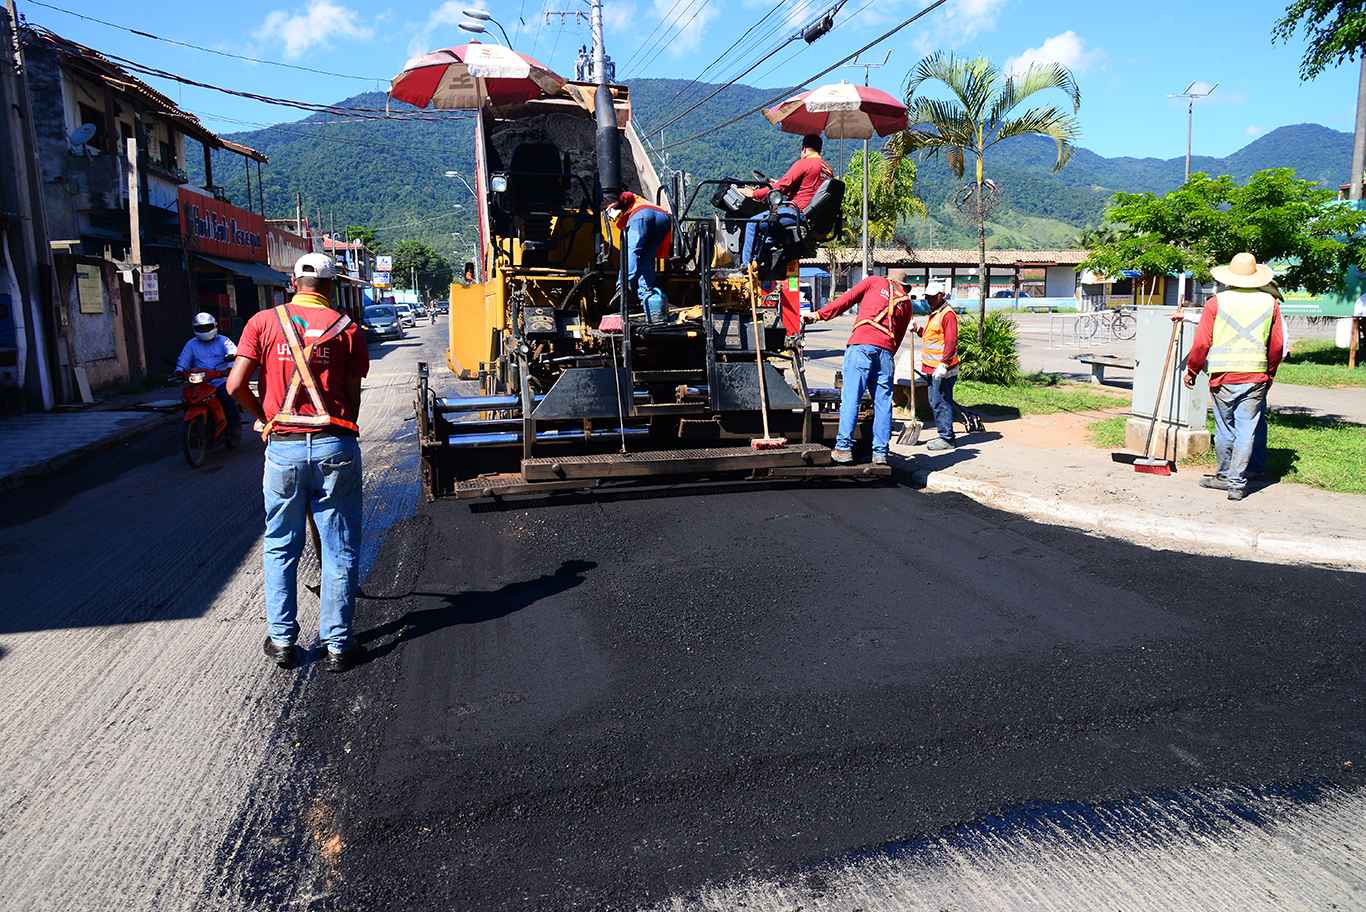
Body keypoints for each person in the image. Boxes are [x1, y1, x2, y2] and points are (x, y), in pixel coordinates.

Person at [226, 253, 371, 672]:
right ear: (331, 286)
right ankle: (339, 646)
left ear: (293, 282)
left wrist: (262, 418)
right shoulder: (348, 329)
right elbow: (352, 395)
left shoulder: (262, 322)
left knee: (281, 544)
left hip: (283, 448)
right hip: (334, 445)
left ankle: (283, 641)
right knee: (339, 545)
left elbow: (235, 384)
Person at [1183, 252, 1284, 501]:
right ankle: (1238, 484)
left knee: (1225, 427)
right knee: (1246, 429)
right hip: (1256, 375)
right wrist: (1269, 373)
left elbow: (1201, 344)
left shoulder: (1216, 302)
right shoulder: (1270, 303)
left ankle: (1225, 476)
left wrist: (1192, 370)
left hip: (1223, 375)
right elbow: (1277, 346)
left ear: (1230, 276)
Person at [802, 268, 916, 464]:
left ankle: (844, 448)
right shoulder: (906, 303)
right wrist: (886, 354)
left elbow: (846, 300)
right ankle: (880, 453)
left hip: (862, 347)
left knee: (851, 398)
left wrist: (818, 316)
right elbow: (899, 336)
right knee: (883, 404)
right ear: (904, 286)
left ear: (888, 278)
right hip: (886, 353)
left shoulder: (874, 282)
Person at [738, 133, 833, 266]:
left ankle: (744, 267)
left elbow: (782, 187)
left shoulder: (805, 163)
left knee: (752, 223)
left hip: (796, 214)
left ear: (804, 149)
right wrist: (774, 182)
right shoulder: (827, 169)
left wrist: (754, 194)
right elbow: (809, 188)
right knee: (769, 237)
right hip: (812, 217)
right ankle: (759, 263)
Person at [606, 190, 673, 323]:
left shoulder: (630, 205)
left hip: (642, 214)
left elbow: (627, 195)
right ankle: (647, 295)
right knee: (646, 258)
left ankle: (623, 286)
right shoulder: (642, 202)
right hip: (663, 218)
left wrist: (614, 203)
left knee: (631, 251)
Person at [175, 312, 239, 440]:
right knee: (186, 401)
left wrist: (229, 368)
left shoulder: (223, 341)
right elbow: (184, 359)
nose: (204, 330)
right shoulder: (191, 344)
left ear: (214, 326)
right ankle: (192, 431)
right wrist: (179, 370)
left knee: (227, 400)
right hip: (200, 382)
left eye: (207, 327)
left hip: (220, 380)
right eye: (200, 328)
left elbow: (234, 353)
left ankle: (234, 429)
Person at [915, 282, 960, 451]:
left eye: (932, 297)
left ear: (942, 295)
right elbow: (931, 336)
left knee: (941, 402)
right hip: (931, 368)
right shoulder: (935, 313)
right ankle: (945, 434)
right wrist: (918, 329)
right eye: (927, 297)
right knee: (936, 401)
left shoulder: (947, 315)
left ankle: (946, 438)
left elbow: (951, 341)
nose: (928, 300)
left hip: (942, 370)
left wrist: (943, 364)